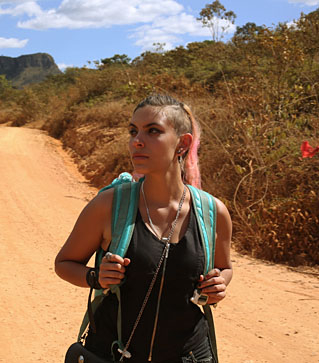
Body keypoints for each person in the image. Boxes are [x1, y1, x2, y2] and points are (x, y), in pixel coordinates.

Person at [55, 94, 233, 362]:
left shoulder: (213, 212)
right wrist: (96, 278)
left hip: (190, 356)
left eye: (153, 131)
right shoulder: (109, 205)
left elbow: (225, 268)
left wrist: (219, 284)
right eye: (133, 131)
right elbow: (64, 263)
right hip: (111, 353)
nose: (137, 141)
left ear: (182, 143)